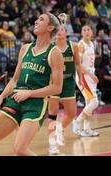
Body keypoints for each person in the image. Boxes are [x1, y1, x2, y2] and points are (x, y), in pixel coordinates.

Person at [0, 13, 64, 156]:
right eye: (37, 18)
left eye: (41, 19)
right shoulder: (25, 49)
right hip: (15, 100)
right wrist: (1, 96)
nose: (36, 21)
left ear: (50, 27)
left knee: (20, 149)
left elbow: (57, 87)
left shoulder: (55, 53)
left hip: (35, 105)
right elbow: (14, 79)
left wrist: (29, 93)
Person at [47, 14, 86, 155]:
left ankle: (60, 128)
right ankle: (52, 144)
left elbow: (77, 64)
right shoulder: (50, 47)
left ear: (66, 33)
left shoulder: (73, 46)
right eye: (57, 30)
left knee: (71, 113)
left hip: (68, 81)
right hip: (54, 82)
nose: (59, 32)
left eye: (62, 29)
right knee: (52, 114)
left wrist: (80, 79)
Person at [72, 25, 101, 137]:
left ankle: (86, 129)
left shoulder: (92, 44)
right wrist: (91, 75)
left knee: (89, 103)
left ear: (92, 32)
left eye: (88, 29)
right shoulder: (80, 45)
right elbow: (77, 65)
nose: (87, 31)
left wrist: (92, 74)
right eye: (84, 30)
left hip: (90, 75)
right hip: (83, 76)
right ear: (81, 33)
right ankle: (77, 121)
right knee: (94, 102)